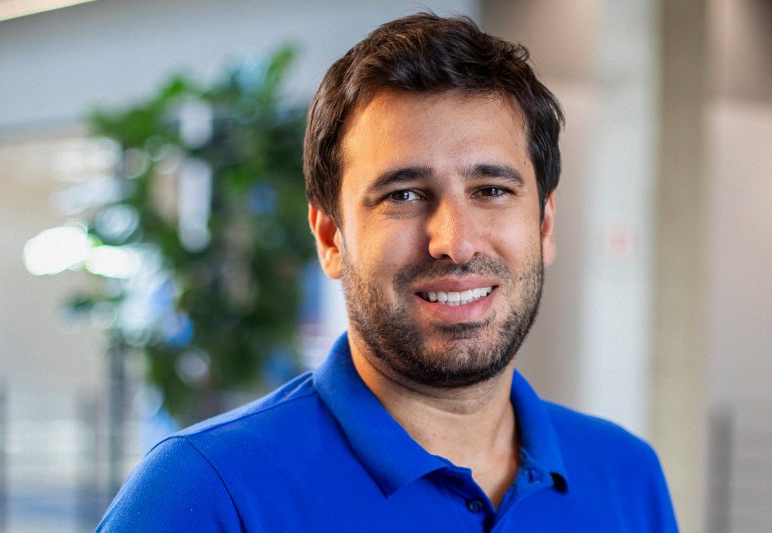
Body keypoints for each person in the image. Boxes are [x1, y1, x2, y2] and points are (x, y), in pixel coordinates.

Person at [97, 13, 677, 532]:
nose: (454, 242)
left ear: (544, 224)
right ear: (331, 237)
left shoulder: (627, 476)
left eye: (492, 190)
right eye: (403, 194)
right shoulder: (207, 494)